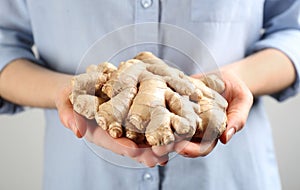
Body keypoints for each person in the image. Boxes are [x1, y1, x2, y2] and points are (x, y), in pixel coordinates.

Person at [0, 1, 299, 189]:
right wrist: (63, 91)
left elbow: (293, 30)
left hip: (230, 176)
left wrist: (233, 81)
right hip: (82, 177)